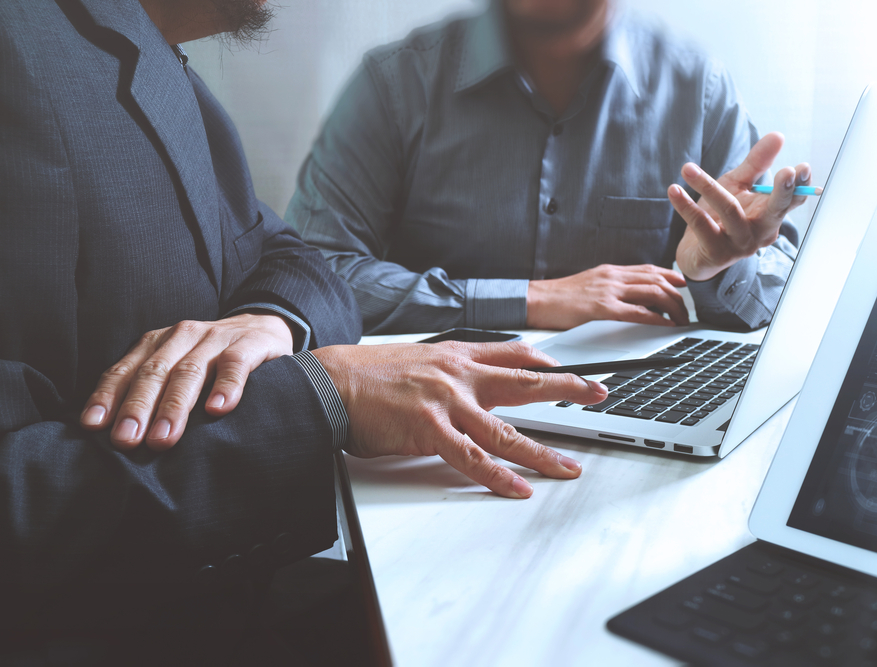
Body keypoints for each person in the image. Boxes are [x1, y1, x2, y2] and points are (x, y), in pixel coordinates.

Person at [0, 0, 607, 663]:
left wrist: (268, 321)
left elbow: (297, 258)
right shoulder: (19, 55)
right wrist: (322, 396)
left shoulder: (162, 66)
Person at [286, 0, 814, 336]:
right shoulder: (394, 84)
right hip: (433, 415)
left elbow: (784, 283)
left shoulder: (696, 88)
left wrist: (714, 268)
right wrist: (530, 300)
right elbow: (311, 275)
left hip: (629, 419)